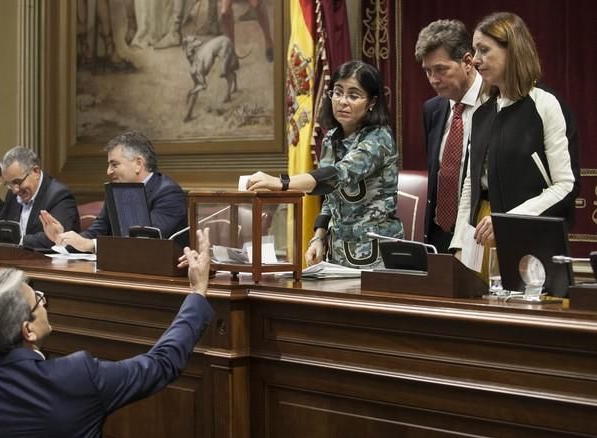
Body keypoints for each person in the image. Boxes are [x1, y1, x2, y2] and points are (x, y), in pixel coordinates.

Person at [0, 228, 214, 438]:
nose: (44, 301)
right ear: (28, 331)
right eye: (38, 299)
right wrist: (198, 293)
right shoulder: (78, 376)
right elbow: (161, 364)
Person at [247, 60, 403, 269]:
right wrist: (319, 237)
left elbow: (337, 175)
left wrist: (281, 182)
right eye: (337, 93)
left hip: (376, 255)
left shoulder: (378, 139)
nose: (342, 101)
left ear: (371, 102)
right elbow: (330, 198)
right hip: (337, 252)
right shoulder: (331, 138)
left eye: (353, 96)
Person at [450, 12, 578, 260]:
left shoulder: (546, 105)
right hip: (480, 236)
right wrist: (459, 244)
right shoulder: (481, 112)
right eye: (475, 51)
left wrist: (507, 221)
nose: (475, 60)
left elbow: (565, 186)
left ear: (513, 51)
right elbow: (471, 184)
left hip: (532, 236)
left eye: (484, 50)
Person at [40, 130, 189, 252]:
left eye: (114, 164)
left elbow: (146, 241)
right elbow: (95, 232)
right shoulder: (116, 191)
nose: (108, 171)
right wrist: (64, 239)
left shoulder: (169, 193)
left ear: (138, 164)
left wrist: (92, 245)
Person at [415, 19, 484, 253]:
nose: (434, 79)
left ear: (467, 61)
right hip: (437, 236)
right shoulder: (432, 109)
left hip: (478, 233)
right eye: (428, 71)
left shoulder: (495, 104)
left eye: (441, 69)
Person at [0, 146, 80, 249]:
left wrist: (16, 239)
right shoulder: (12, 195)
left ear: (36, 172)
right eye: (9, 184)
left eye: (18, 182)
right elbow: (0, 225)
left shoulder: (59, 195)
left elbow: (54, 238)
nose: (15, 190)